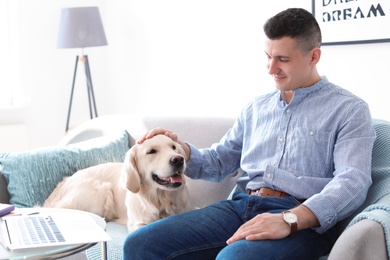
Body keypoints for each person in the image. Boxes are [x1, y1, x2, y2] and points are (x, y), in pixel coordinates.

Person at [122, 8, 376, 259]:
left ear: (314, 56)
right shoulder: (256, 107)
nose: (271, 68)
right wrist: (180, 149)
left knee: (235, 258)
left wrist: (290, 219)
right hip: (241, 205)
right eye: (268, 56)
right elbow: (220, 161)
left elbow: (352, 181)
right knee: (138, 245)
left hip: (301, 219)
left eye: (283, 59)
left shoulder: (349, 110)